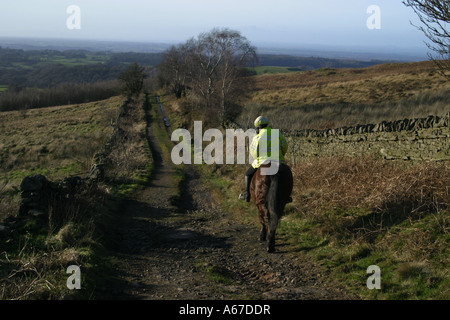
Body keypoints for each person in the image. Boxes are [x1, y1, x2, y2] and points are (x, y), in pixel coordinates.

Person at [239, 116, 288, 202]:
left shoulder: (257, 137)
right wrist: (281, 156)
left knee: (248, 174)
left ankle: (247, 195)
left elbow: (254, 153)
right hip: (278, 161)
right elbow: (285, 147)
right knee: (286, 174)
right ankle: (287, 196)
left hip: (261, 162)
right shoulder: (277, 134)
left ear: (258, 128)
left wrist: (258, 159)